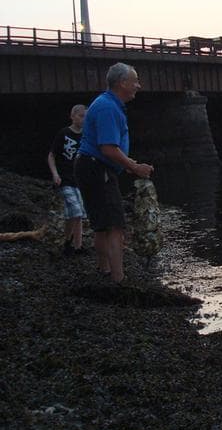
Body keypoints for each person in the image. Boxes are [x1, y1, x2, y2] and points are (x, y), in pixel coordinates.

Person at [74, 62, 154, 283]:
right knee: (115, 226)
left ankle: (104, 270)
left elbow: (109, 150)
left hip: (90, 166)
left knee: (101, 225)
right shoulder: (108, 107)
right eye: (135, 81)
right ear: (122, 83)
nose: (138, 85)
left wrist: (126, 164)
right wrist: (133, 167)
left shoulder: (106, 104)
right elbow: (107, 148)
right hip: (97, 168)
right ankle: (119, 279)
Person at [47, 104, 88, 256]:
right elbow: (51, 155)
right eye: (81, 116)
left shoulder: (86, 135)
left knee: (77, 213)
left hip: (80, 180)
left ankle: (72, 244)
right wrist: (55, 174)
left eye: (86, 117)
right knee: (76, 212)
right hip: (65, 179)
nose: (83, 119)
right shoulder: (64, 133)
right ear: (72, 116)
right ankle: (73, 244)